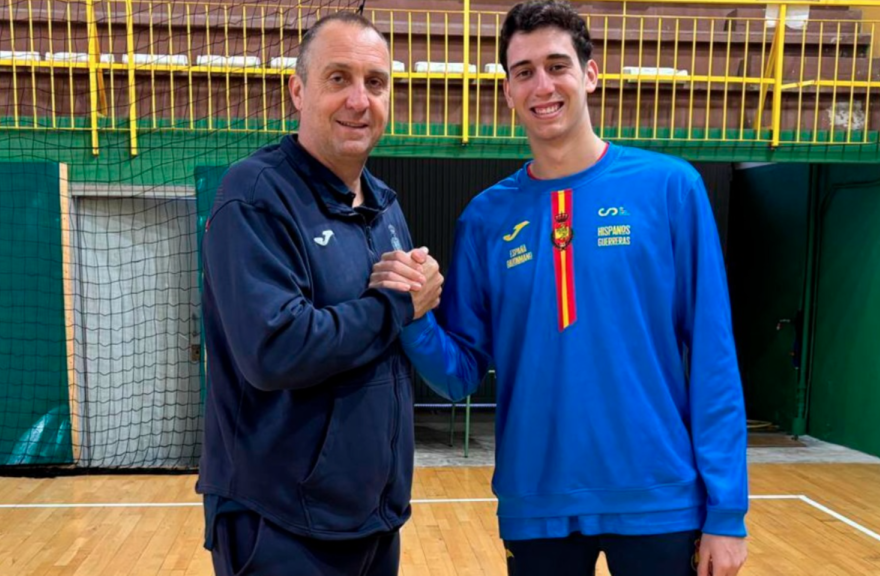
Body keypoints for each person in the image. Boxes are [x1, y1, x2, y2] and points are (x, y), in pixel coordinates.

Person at [371, 1, 749, 575]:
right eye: (524, 72)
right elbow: (461, 373)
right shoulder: (486, 219)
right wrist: (417, 317)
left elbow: (715, 359)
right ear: (507, 91)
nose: (541, 86)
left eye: (557, 65)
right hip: (536, 503)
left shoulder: (671, 189)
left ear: (590, 74)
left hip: (659, 500)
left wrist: (727, 511)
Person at [196, 11, 442, 576]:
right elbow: (275, 347)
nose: (360, 99)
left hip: (373, 517)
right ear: (298, 90)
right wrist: (399, 304)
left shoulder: (385, 205)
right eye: (339, 78)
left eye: (375, 83)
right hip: (280, 523)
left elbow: (392, 337)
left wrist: (423, 295)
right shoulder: (255, 195)